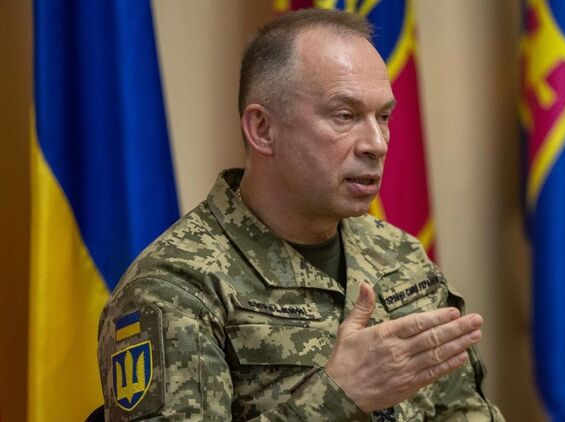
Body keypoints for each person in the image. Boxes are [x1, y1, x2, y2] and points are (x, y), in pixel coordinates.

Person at [97, 8, 504, 421]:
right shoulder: (175, 286)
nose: (377, 143)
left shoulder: (398, 255)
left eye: (383, 117)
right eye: (344, 116)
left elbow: (463, 411)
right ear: (262, 129)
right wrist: (338, 396)